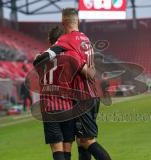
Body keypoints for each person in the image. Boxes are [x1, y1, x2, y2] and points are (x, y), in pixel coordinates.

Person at [56, 8, 111, 160]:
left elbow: (82, 68)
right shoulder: (85, 39)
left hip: (82, 97)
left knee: (88, 141)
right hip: (93, 95)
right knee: (81, 140)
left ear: (62, 22)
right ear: (78, 21)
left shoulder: (64, 41)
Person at [33, 26, 88, 160]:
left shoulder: (39, 58)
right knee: (67, 148)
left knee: (57, 150)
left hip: (48, 108)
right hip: (67, 107)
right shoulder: (70, 56)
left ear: (49, 40)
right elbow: (86, 74)